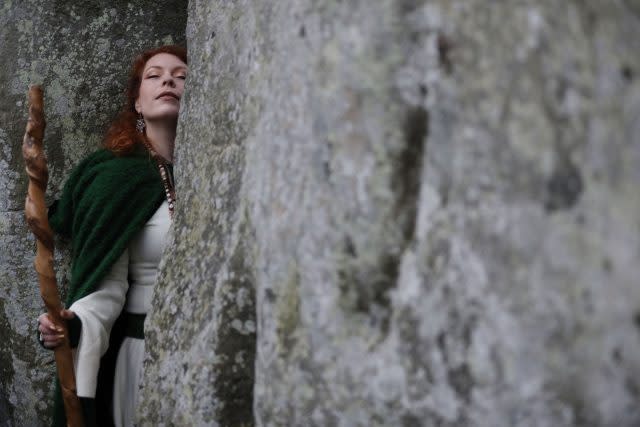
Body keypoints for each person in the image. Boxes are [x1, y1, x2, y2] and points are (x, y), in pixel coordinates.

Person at [37, 44, 187, 427]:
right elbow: (106, 289)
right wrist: (71, 324)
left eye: (181, 75)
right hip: (142, 357)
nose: (168, 79)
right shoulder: (116, 178)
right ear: (137, 103)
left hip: (202, 344)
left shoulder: (221, 170)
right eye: (154, 76)